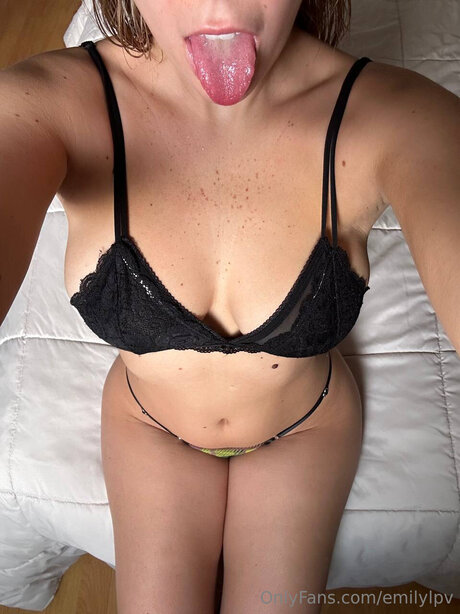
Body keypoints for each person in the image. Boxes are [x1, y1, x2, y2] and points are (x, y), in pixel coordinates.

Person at [3, 1, 458, 613]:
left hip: (306, 429)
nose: (218, 6)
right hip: (149, 426)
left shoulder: (399, 115)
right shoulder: (45, 106)